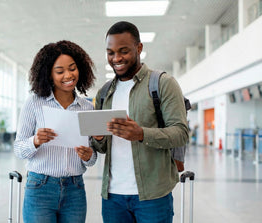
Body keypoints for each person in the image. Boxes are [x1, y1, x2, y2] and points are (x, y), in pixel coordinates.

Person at [91, 21, 189, 223]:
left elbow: (181, 133)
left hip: (153, 196)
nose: (116, 58)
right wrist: (98, 138)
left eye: (123, 51)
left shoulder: (162, 83)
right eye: (110, 52)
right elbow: (100, 147)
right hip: (112, 197)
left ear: (139, 48)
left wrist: (142, 134)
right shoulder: (104, 93)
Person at [14, 40, 97, 223]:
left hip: (75, 188)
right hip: (40, 188)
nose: (68, 75)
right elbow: (19, 149)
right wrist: (35, 140)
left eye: (72, 68)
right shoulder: (34, 102)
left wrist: (88, 155)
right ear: (49, 75)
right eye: (60, 71)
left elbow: (92, 159)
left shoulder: (86, 108)